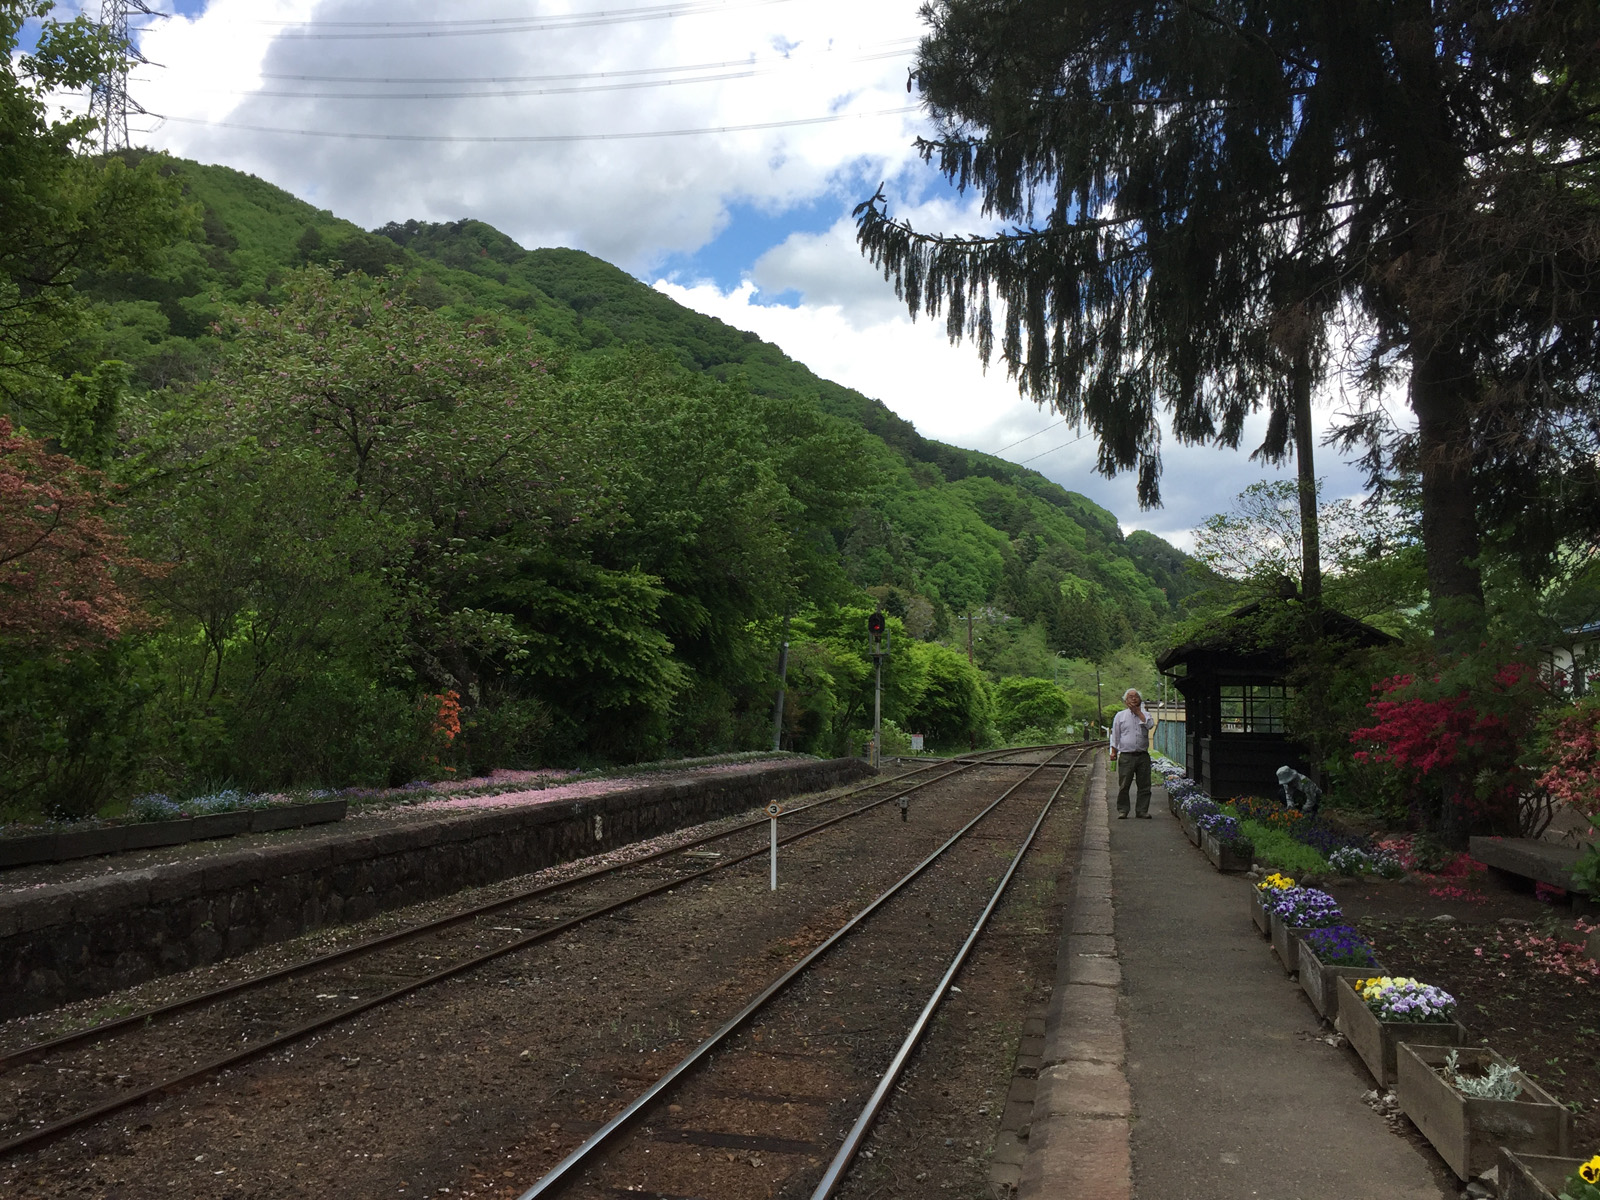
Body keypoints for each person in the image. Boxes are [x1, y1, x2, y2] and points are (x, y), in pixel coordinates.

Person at [1108, 688, 1158, 818]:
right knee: (1124, 784)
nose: (1134, 699)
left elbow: (1150, 725)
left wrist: (1138, 712)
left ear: (1140, 700)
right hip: (1126, 755)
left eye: (1136, 696)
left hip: (1142, 755)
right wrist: (1113, 751)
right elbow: (1115, 735)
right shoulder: (1120, 715)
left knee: (1144, 785)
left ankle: (1142, 810)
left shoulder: (1146, 714)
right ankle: (1123, 810)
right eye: (1130, 697)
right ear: (1126, 701)